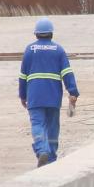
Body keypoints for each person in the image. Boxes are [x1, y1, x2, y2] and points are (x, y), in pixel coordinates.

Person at [17, 18, 78, 166]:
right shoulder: (58, 50)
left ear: (36, 34)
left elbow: (23, 76)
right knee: (52, 128)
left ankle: (42, 150)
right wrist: (73, 91)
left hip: (35, 96)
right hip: (53, 97)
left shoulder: (29, 50)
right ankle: (50, 158)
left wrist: (23, 95)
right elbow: (67, 72)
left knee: (38, 124)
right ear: (51, 33)